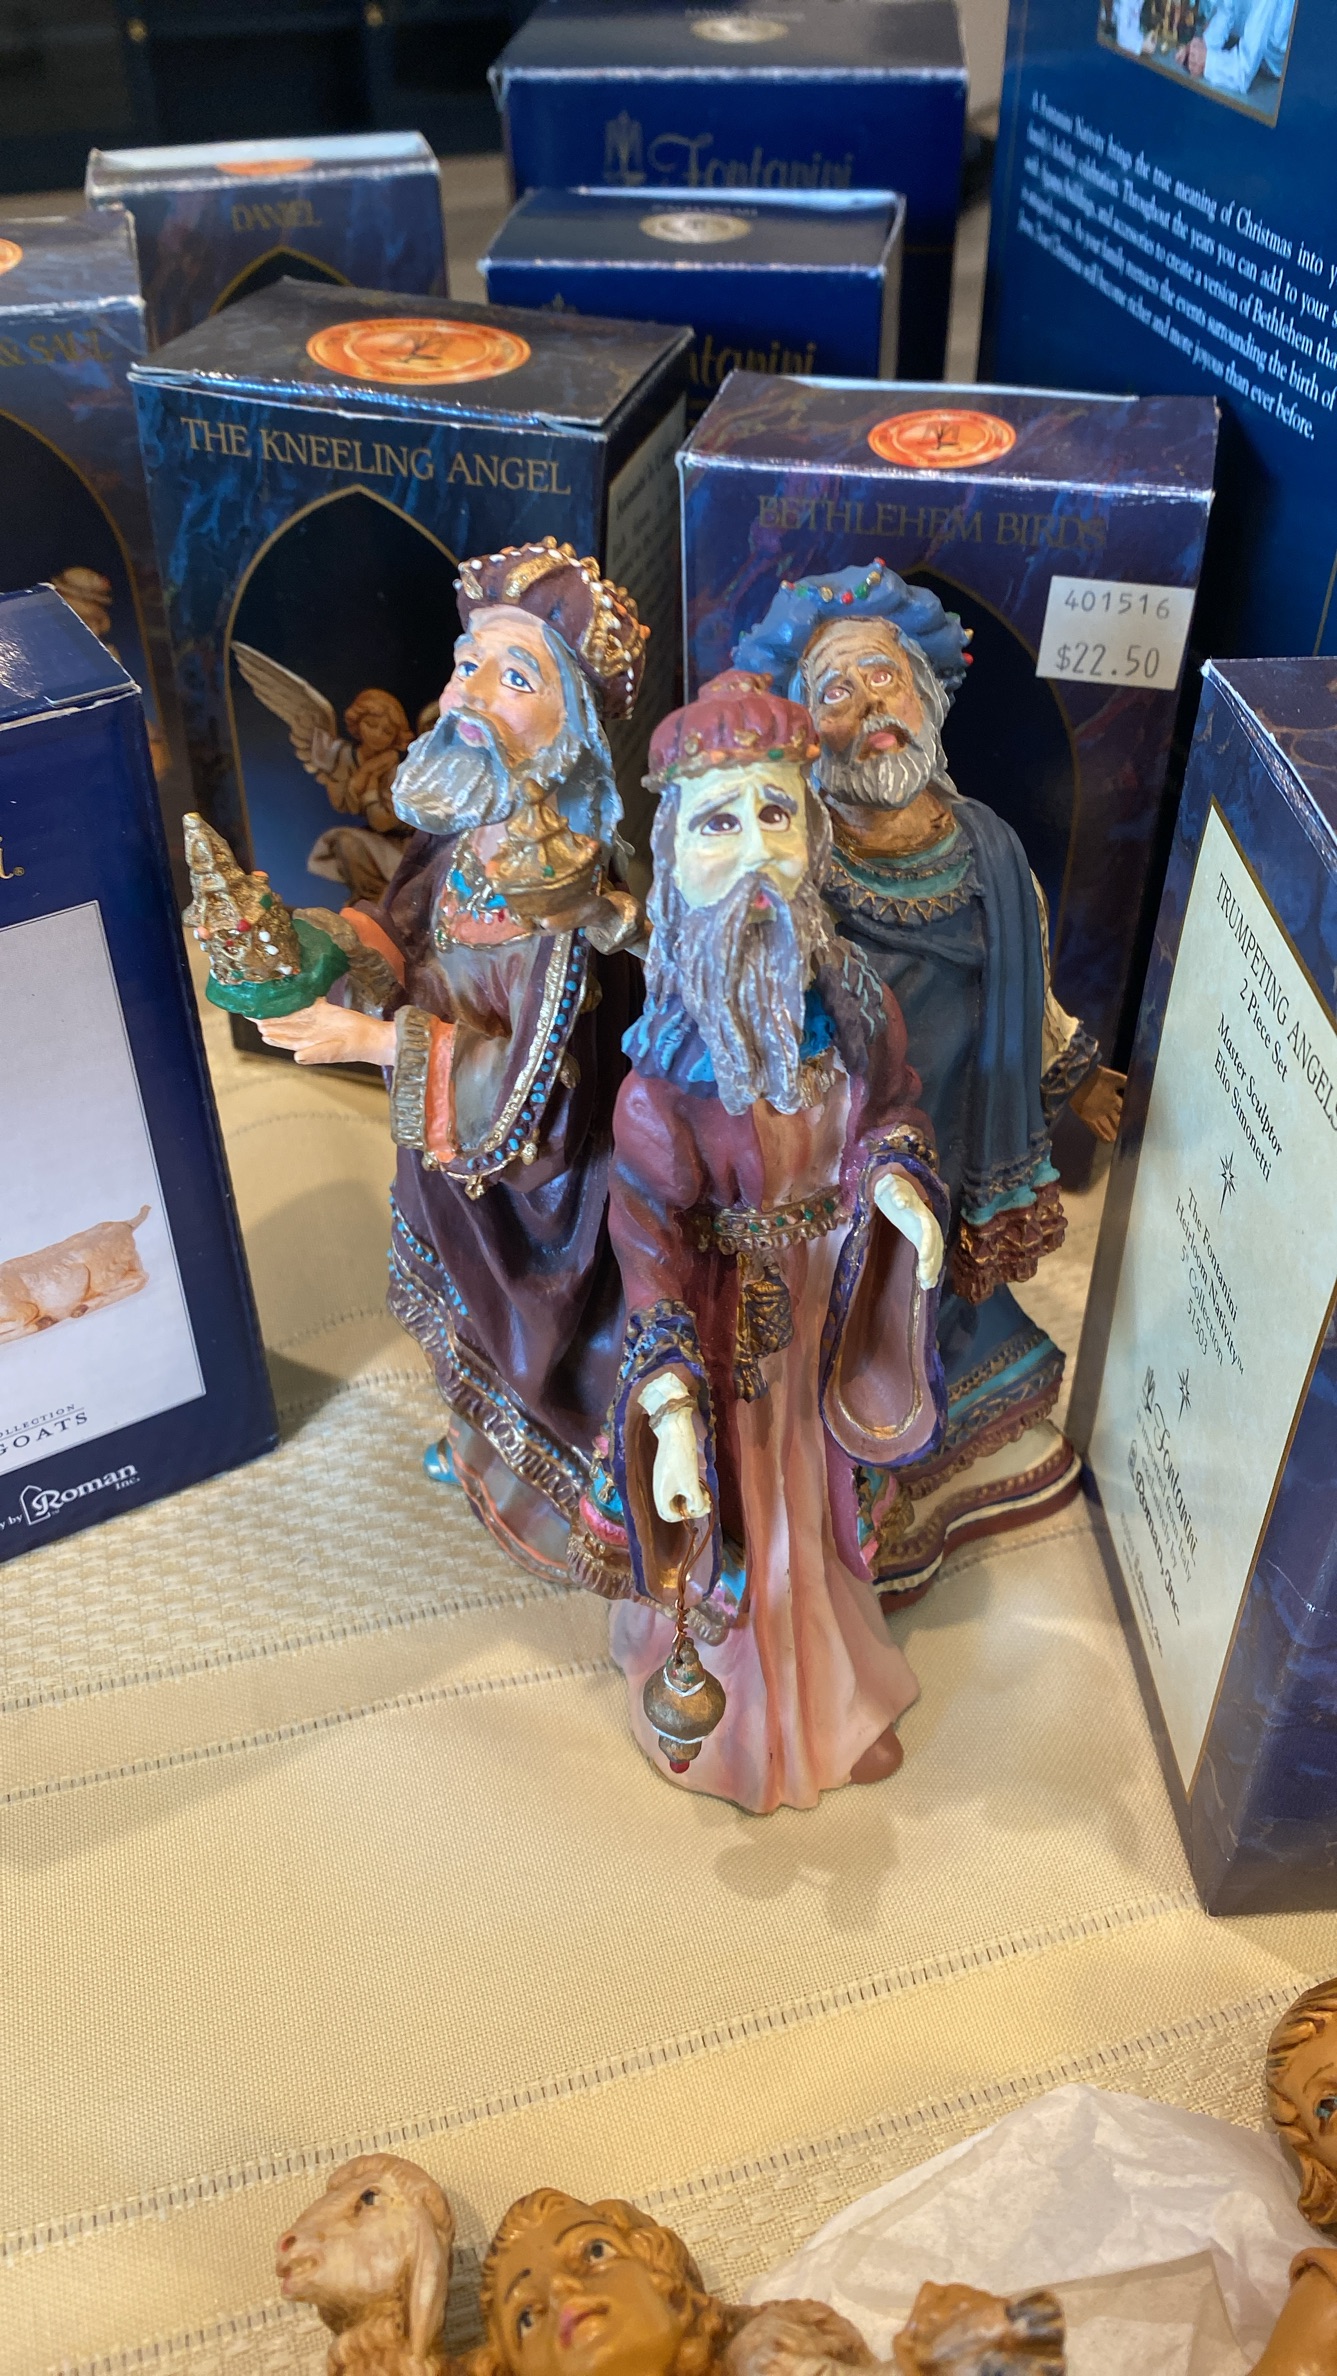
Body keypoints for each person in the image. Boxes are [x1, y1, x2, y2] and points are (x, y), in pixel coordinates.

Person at [583, 673, 949, 1813]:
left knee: (823, 1508)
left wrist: (896, 1183)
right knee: (756, 1513)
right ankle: (753, 1718)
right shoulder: (660, 1087)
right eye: (717, 823)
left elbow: (894, 1105)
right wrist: (667, 1410)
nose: (753, 850)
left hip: (836, 1304)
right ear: (673, 857)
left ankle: (831, 1690)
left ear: (812, 834)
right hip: (728, 1332)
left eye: (775, 814)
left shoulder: (854, 1006)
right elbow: (645, 1238)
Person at [255, 538, 645, 1582]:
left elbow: (534, 1090)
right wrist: (321, 947)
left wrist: (374, 1042)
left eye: (514, 677)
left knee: (532, 1334)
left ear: (573, 724)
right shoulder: (459, 838)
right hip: (440, 1162)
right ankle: (477, 1447)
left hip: (531, 1190)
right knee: (460, 1321)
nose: (469, 692)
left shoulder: (568, 897)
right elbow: (402, 934)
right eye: (468, 662)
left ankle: (553, 1486)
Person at [733, 569, 1123, 1603]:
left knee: (937, 1273)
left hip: (960, 1110)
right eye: (834, 691)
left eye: (884, 679)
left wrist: (1077, 1072)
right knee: (846, 1288)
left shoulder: (988, 847)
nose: (869, 709)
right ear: (803, 730)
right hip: (843, 1134)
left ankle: (920, 1434)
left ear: (927, 695)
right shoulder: (794, 857)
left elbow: (1029, 981)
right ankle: (847, 1449)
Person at [1178, 0, 1295, 98]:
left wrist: (1207, 60)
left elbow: (1243, 73)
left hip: (1279, 76)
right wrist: (1200, 48)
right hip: (1253, 54)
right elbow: (1227, 10)